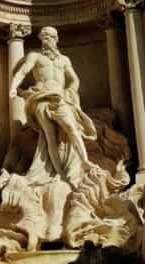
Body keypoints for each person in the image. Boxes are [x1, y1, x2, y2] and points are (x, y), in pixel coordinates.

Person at [9, 26, 97, 184]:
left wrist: (71, 92)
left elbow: (74, 79)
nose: (45, 40)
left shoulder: (64, 60)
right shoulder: (35, 56)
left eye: (49, 37)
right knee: (49, 136)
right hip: (41, 97)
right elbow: (22, 72)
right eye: (43, 37)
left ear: (56, 39)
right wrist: (13, 87)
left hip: (60, 97)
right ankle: (59, 174)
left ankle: (84, 161)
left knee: (71, 127)